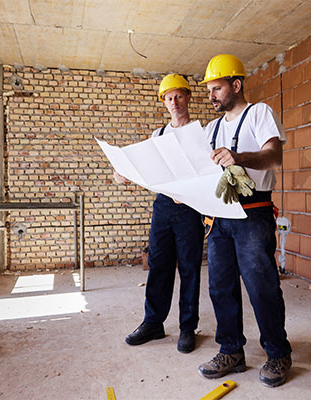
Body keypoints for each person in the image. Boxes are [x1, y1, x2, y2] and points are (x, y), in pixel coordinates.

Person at [197, 54, 293, 387]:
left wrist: (238, 157)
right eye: (209, 89)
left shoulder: (259, 114)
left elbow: (274, 156)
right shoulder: (211, 129)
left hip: (254, 213)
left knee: (261, 286)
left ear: (236, 85)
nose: (211, 95)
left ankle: (278, 354)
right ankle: (231, 351)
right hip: (219, 215)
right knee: (220, 286)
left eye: (217, 88)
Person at [115, 73, 205, 354]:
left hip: (190, 208)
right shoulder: (159, 135)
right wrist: (124, 172)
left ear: (188, 97)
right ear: (164, 103)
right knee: (159, 265)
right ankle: (153, 322)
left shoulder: (200, 133)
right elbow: (146, 168)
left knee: (190, 268)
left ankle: (187, 328)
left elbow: (206, 172)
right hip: (164, 207)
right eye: (169, 97)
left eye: (179, 95)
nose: (174, 102)